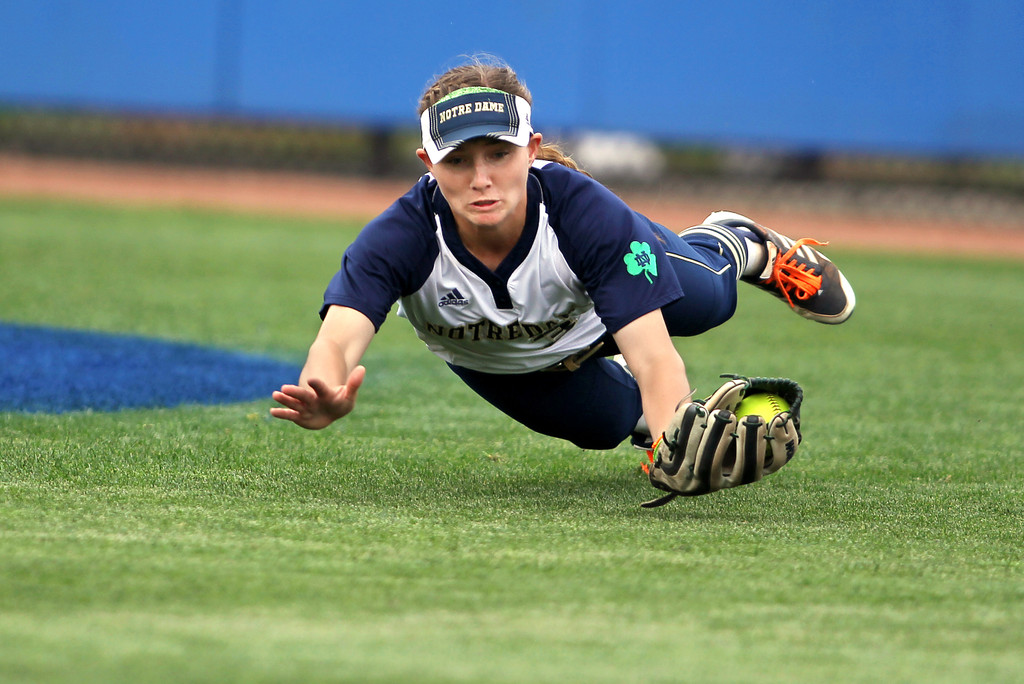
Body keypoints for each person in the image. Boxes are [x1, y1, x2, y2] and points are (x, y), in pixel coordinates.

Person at [270, 57, 854, 467]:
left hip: (602, 306)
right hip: (511, 362)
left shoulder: (584, 214)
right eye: (458, 160)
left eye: (499, 154)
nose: (480, 178)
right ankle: (652, 420)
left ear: (531, 150)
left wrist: (676, 446)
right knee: (606, 425)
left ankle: (738, 242)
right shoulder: (399, 237)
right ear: (428, 163)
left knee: (710, 302)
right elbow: (338, 339)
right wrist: (323, 387)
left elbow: (654, 356)